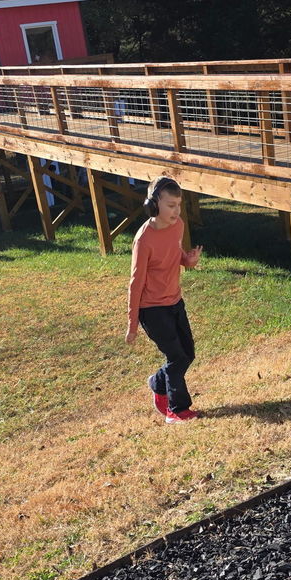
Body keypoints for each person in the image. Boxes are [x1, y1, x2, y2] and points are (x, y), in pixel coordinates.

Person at [126, 177, 203, 423]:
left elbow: (173, 252)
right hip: (152, 309)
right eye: (170, 205)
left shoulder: (178, 225)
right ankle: (177, 410)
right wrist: (133, 323)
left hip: (174, 301)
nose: (176, 211)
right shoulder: (144, 239)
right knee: (177, 358)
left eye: (178, 204)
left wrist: (187, 260)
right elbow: (136, 282)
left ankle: (157, 383)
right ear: (154, 203)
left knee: (188, 353)